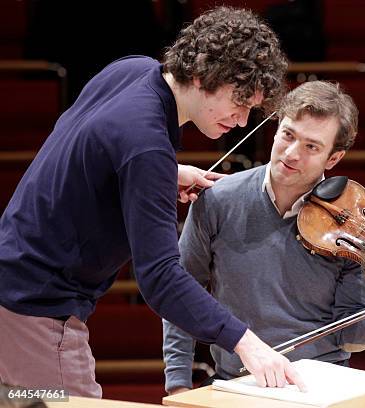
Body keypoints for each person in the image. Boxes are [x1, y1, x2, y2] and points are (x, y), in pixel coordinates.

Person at [0, 6, 306, 398]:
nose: (243, 120)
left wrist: (163, 174)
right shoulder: (146, 148)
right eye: (240, 102)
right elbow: (159, 278)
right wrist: (247, 344)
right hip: (36, 306)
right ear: (201, 75)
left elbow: (88, 144)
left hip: (15, 284)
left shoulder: (133, 69)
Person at [163, 81, 365, 394]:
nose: (292, 153)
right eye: (288, 135)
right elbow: (180, 295)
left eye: (311, 146)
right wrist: (177, 384)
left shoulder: (349, 228)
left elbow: (350, 334)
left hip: (319, 387)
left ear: (333, 158)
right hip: (238, 384)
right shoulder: (218, 201)